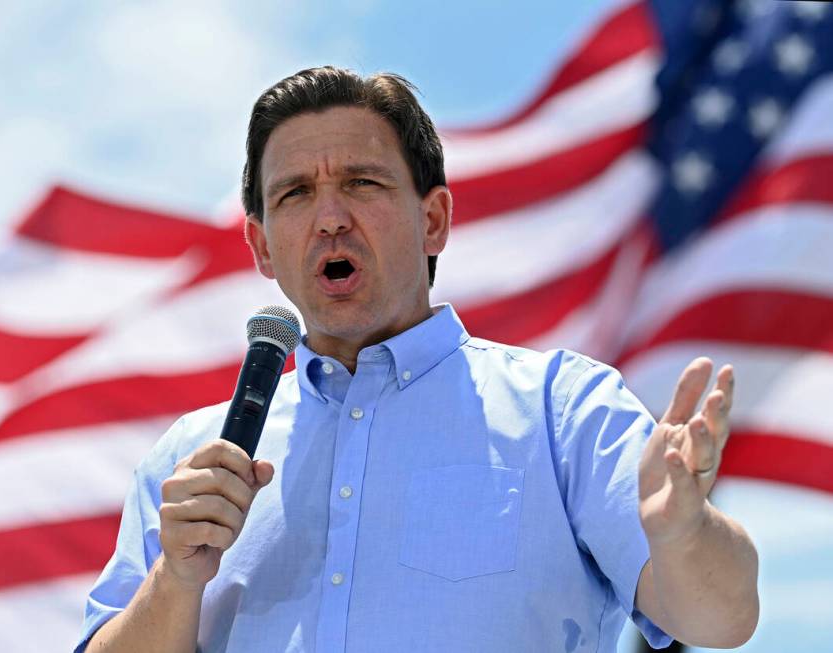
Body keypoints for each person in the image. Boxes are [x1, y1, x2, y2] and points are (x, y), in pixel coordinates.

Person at [76, 67, 759, 653]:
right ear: (260, 246)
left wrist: (685, 534)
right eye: (295, 194)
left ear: (433, 219)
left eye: (362, 182)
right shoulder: (191, 459)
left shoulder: (562, 409)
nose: (331, 217)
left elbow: (721, 616)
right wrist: (177, 577)